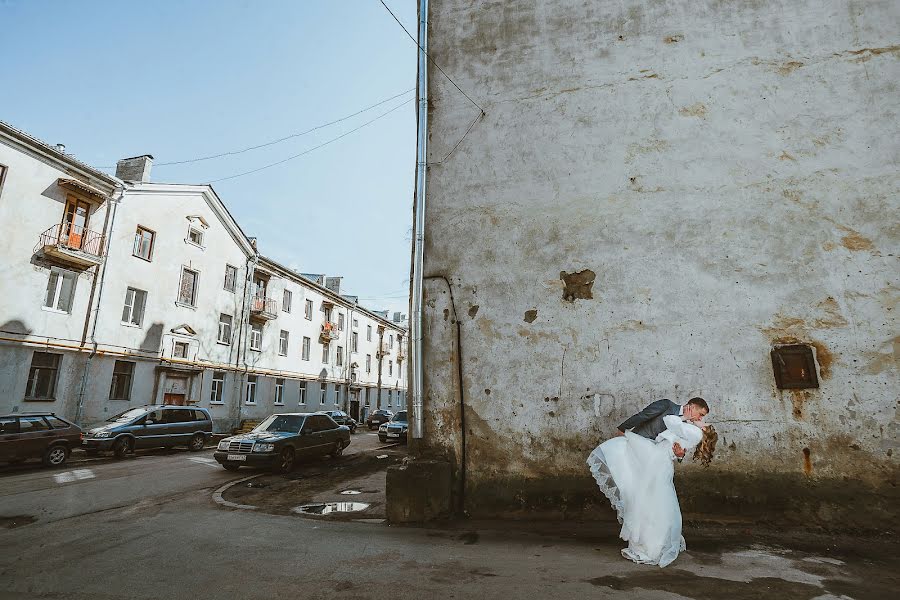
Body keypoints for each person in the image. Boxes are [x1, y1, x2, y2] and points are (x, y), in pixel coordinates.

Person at [586, 398, 718, 567]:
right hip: (640, 449)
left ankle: (650, 541)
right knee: (634, 490)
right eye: (700, 415)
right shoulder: (667, 406)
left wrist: (679, 454)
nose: (700, 419)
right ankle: (642, 539)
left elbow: (676, 447)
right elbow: (643, 416)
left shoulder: (688, 427)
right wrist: (622, 429)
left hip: (655, 462)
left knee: (648, 500)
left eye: (702, 418)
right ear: (692, 407)